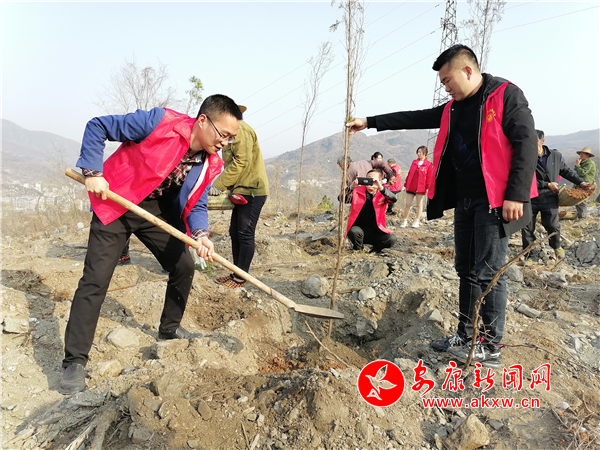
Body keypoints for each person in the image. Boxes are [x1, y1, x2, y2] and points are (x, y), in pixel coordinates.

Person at [347, 44, 539, 368]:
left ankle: (490, 345)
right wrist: (369, 121)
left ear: (468, 71)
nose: (445, 87)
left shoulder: (505, 95)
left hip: (496, 199)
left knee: (488, 272)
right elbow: (415, 117)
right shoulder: (452, 108)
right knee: (466, 269)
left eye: (448, 80)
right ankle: (466, 335)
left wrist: (516, 194)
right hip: (466, 200)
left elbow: (526, 142)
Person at [59, 94, 244, 395]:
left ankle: (169, 329)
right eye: (223, 134)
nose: (224, 142)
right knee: (95, 281)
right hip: (116, 203)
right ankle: (74, 361)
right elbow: (97, 126)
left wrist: (201, 235)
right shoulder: (159, 123)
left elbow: (196, 203)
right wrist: (93, 172)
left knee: (184, 265)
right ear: (203, 121)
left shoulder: (211, 162)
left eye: (230, 138)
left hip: (156, 211)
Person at [208, 119, 268, 289]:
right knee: (235, 233)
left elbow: (241, 162)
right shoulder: (232, 132)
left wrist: (219, 184)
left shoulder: (241, 130)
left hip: (252, 191)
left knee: (245, 234)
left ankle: (240, 279)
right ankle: (236, 273)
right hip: (241, 190)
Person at [521, 130, 589, 263]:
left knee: (552, 224)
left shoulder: (555, 155)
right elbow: (523, 178)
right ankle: (530, 255)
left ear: (542, 141)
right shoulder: (525, 157)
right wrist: (546, 184)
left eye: (534, 140)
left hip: (549, 196)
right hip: (530, 197)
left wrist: (581, 182)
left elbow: (566, 171)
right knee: (527, 227)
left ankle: (556, 246)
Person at [346, 169, 397, 253]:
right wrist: (350, 188)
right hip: (360, 230)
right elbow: (342, 199)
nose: (370, 182)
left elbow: (393, 199)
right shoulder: (357, 191)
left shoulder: (383, 193)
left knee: (391, 239)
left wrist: (381, 188)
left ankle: (374, 250)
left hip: (377, 231)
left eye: (373, 180)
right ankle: (359, 250)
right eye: (368, 179)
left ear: (380, 182)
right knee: (354, 231)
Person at [400, 146, 433, 228]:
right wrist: (405, 184)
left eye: (420, 152)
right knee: (408, 204)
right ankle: (404, 220)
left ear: (424, 153)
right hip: (411, 186)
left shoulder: (428, 164)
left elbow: (429, 177)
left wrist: (427, 187)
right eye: (417, 152)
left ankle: (417, 220)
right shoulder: (414, 162)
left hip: (421, 187)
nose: (418, 154)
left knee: (419, 204)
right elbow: (410, 174)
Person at [574, 147, 596, 219]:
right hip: (580, 184)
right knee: (577, 200)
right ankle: (580, 216)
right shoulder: (583, 162)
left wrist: (577, 165)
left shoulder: (589, 163)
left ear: (588, 155)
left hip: (586, 184)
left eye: (583, 154)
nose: (581, 155)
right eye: (581, 154)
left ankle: (583, 217)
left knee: (581, 200)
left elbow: (582, 173)